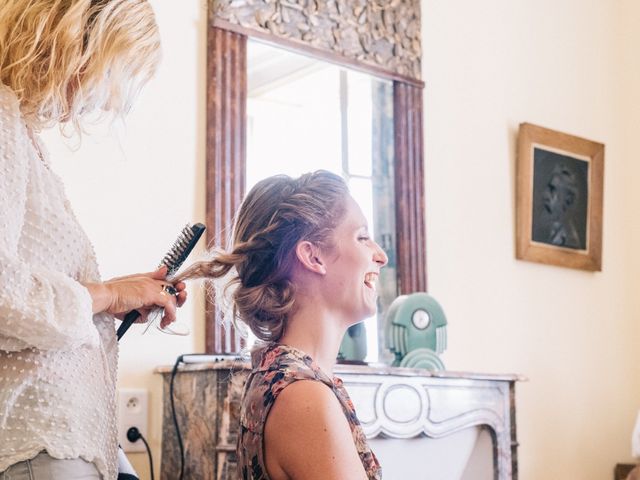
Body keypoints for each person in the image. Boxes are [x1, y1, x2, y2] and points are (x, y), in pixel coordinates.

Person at [0, 1, 186, 478]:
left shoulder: (21, 133)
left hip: (65, 432)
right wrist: (108, 295)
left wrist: (114, 300)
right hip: (37, 434)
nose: (101, 101)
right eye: (114, 73)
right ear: (77, 41)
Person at [177, 171, 388, 479]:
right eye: (362, 237)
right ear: (313, 256)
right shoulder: (304, 398)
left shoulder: (287, 379)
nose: (380, 256)